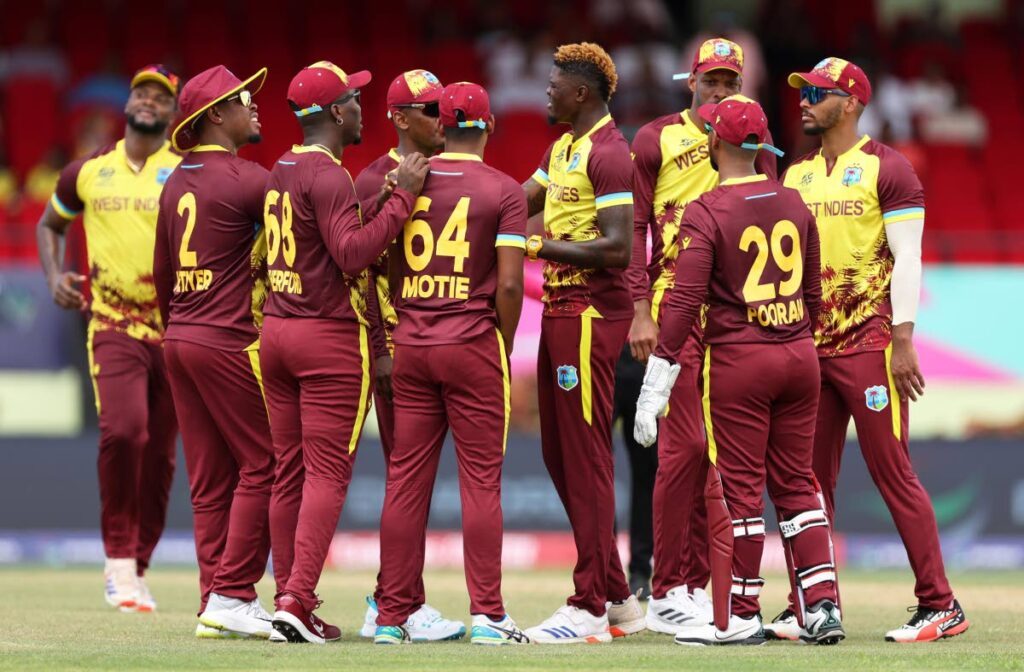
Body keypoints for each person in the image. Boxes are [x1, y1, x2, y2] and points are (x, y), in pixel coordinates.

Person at [770, 57, 968, 644]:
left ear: (851, 102)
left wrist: (903, 339)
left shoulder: (889, 168)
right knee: (808, 483)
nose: (803, 100)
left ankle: (940, 603)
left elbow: (908, 257)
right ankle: (808, 603)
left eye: (817, 92)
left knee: (892, 472)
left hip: (872, 346)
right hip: (812, 350)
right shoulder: (796, 176)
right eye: (803, 91)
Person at [635, 94, 845, 647]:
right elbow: (816, 292)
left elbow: (682, 302)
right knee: (800, 485)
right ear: (760, 147)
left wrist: (658, 380)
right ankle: (822, 607)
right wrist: (797, 337)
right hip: (799, 355)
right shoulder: (795, 201)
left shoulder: (705, 209)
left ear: (714, 143)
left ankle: (741, 614)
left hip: (739, 361)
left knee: (741, 490)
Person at [261, 60, 429, 644]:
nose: (362, 106)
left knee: (289, 472)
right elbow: (353, 255)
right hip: (326, 337)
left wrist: (377, 200)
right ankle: (297, 597)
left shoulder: (282, 165)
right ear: (335, 113)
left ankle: (289, 598)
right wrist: (403, 199)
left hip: (277, 332)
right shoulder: (330, 174)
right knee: (327, 473)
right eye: (354, 99)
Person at [626, 38, 779, 631]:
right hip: (675, 309)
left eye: (730, 82)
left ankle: (689, 583)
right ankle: (666, 587)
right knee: (684, 448)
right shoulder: (655, 138)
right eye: (710, 81)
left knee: (714, 457)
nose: (720, 90)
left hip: (734, 317)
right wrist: (641, 311)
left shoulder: (751, 139)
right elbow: (637, 226)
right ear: (690, 81)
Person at [373, 81, 530, 647]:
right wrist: (503, 344)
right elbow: (510, 283)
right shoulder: (505, 191)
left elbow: (388, 264)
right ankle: (488, 614)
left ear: (442, 123)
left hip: (413, 341)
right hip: (472, 343)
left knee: (405, 481)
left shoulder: (405, 181)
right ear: (488, 127)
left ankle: (390, 615)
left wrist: (412, 303)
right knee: (481, 483)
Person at [37, 64, 181, 612]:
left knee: (162, 455)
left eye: (160, 96)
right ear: (129, 103)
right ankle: (118, 561)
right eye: (141, 92)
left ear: (172, 112)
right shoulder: (88, 172)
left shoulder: (186, 172)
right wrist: (53, 276)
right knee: (125, 432)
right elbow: (50, 223)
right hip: (113, 322)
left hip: (174, 331)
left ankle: (137, 566)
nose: (148, 101)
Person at [520, 42, 644, 644]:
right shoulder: (564, 146)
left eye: (554, 83)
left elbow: (619, 250)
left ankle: (589, 602)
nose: (546, 91)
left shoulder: (611, 154)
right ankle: (618, 595)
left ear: (582, 93)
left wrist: (540, 247)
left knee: (588, 454)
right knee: (558, 453)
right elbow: (520, 202)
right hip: (558, 311)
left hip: (593, 315)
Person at [153, 64, 274, 640]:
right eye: (245, 100)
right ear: (216, 115)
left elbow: (161, 273)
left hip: (178, 336)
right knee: (268, 463)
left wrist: (179, 324)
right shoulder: (249, 180)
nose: (255, 107)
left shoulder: (175, 180)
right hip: (228, 339)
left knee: (208, 480)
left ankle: (213, 601)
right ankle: (234, 592)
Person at [353, 69, 462, 641]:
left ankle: (394, 597)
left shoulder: (456, 172)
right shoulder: (373, 179)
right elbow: (363, 272)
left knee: (411, 478)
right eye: (428, 109)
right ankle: (393, 603)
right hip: (400, 352)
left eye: (444, 107)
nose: (442, 117)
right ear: (398, 117)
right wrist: (381, 352)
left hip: (446, 344)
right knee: (405, 478)